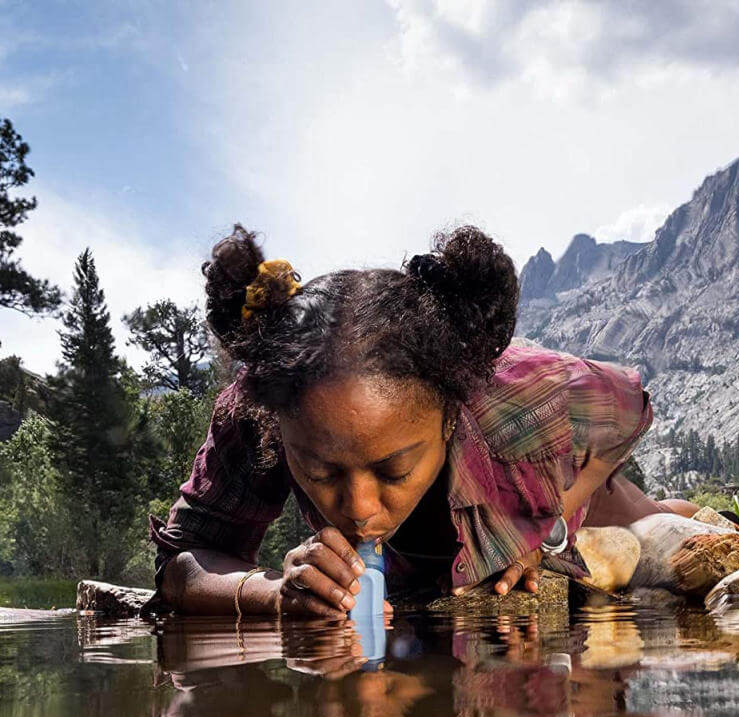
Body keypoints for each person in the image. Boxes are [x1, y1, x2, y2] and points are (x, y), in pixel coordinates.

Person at [150, 224, 695, 617]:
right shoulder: (262, 406)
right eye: (321, 473)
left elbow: (631, 410)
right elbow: (181, 563)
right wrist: (273, 593)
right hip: (420, 570)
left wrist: (550, 528)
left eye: (393, 471)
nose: (360, 512)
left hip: (556, 490)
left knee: (658, 535)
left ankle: (690, 511)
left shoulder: (517, 389)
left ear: (451, 416)